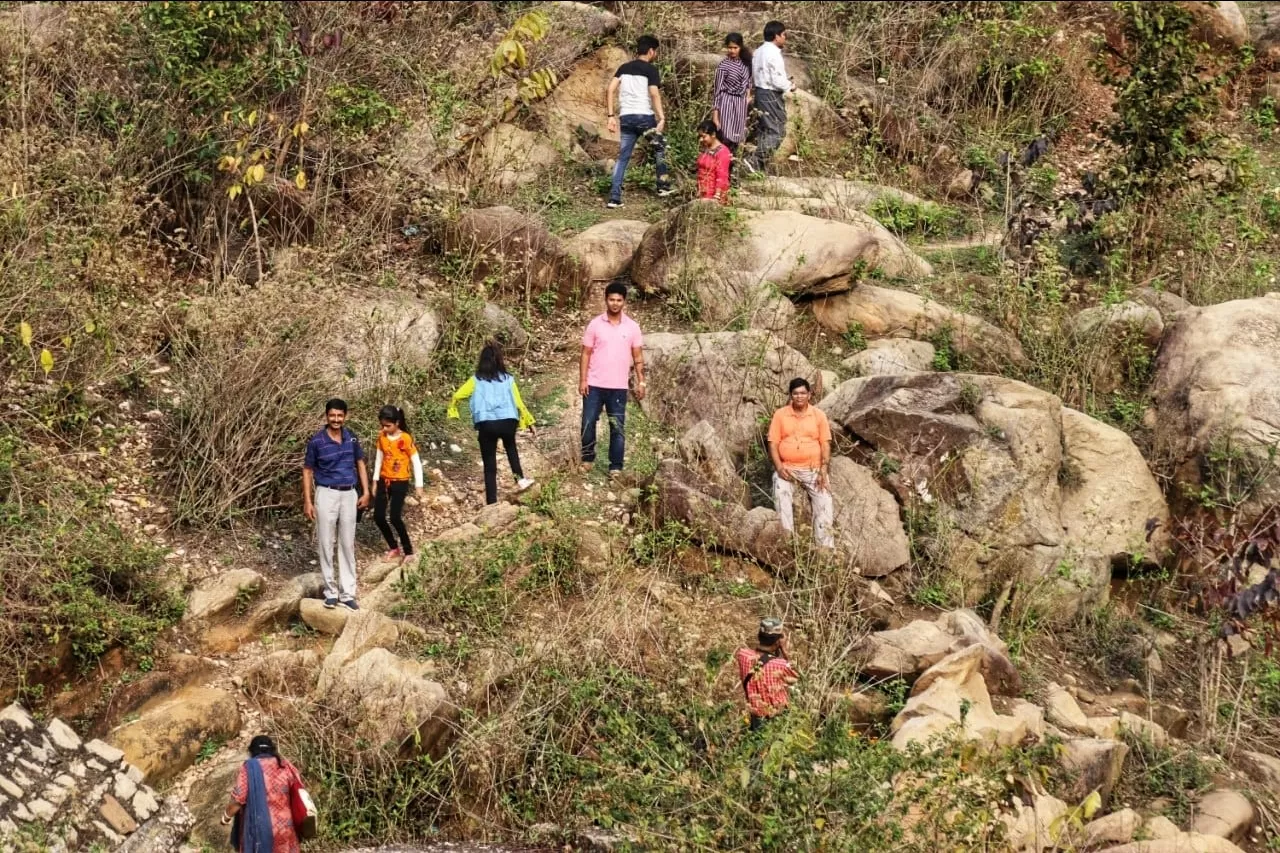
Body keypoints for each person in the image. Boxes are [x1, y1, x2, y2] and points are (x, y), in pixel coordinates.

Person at [448, 343, 537, 505]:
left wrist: (453, 411)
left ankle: (491, 502)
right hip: (508, 421)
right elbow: (518, 402)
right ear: (500, 360)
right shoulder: (509, 380)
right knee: (511, 448)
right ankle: (520, 479)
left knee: (489, 464)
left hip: (486, 423)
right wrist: (529, 420)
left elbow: (458, 395)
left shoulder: (475, 380)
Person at [302, 398, 369, 610]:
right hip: (326, 494)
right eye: (333, 415)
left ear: (345, 416)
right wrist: (308, 500)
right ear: (327, 416)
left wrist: (366, 491)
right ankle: (330, 592)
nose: (336, 419)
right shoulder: (317, 441)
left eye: (340, 415)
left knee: (348, 544)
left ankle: (348, 593)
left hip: (349, 493)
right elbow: (307, 470)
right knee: (325, 542)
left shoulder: (352, 438)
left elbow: (360, 463)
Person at [580, 281, 645, 476]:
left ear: (624, 301)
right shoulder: (595, 324)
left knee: (617, 427)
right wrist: (583, 380)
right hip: (594, 384)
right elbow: (585, 353)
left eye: (619, 300)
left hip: (618, 387)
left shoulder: (632, 327)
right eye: (611, 299)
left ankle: (615, 467)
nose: (615, 303)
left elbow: (638, 357)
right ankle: (587, 459)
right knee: (588, 423)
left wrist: (641, 381)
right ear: (606, 300)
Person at [606, 34, 673, 208]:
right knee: (660, 148)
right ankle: (663, 186)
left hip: (626, 118)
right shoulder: (651, 70)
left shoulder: (623, 67)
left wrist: (611, 116)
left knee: (623, 157)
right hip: (644, 117)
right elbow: (654, 93)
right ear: (651, 51)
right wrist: (661, 116)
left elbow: (610, 89)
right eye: (655, 51)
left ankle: (614, 198)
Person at [767, 377, 834, 548]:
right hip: (788, 468)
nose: (799, 396)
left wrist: (823, 470)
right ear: (790, 395)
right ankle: (787, 541)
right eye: (795, 393)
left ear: (809, 395)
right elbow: (773, 444)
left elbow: (825, 443)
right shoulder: (780, 415)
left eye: (803, 393)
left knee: (825, 502)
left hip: (813, 469)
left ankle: (825, 550)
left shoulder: (819, 416)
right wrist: (779, 467)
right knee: (780, 491)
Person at [221, 735, 306, 853]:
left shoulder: (249, 768)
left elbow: (239, 799)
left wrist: (226, 816)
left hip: (261, 831)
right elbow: (299, 789)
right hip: (286, 828)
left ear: (252, 751)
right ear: (272, 749)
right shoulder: (285, 766)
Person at [371, 404, 424, 563]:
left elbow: (415, 461)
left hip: (400, 481)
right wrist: (375, 481)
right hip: (384, 480)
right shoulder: (382, 437)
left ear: (397, 423)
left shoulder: (405, 439)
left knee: (395, 517)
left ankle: (408, 550)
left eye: (388, 425)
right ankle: (393, 547)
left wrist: (419, 485)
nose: (385, 428)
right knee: (379, 516)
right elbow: (379, 459)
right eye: (383, 425)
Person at [734, 618, 799, 730]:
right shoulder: (781, 664)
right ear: (778, 641)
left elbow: (754, 652)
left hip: (755, 715)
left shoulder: (743, 655)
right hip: (777, 717)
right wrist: (784, 650)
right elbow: (797, 676)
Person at [748, 20, 792, 174]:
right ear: (776, 36)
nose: (785, 38)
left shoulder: (758, 51)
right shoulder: (773, 53)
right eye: (783, 35)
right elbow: (777, 80)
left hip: (760, 92)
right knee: (777, 131)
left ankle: (757, 168)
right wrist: (790, 86)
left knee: (765, 130)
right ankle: (754, 160)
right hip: (770, 94)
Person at [712, 32, 752, 176]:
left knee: (737, 140)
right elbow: (717, 91)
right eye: (730, 48)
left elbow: (748, 83)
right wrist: (715, 115)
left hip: (740, 105)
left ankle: (733, 174)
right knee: (726, 138)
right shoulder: (723, 66)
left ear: (740, 47)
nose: (732, 51)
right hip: (727, 102)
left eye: (735, 48)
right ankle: (722, 172)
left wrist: (747, 97)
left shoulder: (745, 63)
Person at [696, 120, 732, 204]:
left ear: (713, 135)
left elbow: (722, 175)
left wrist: (717, 196)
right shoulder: (706, 149)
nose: (701, 140)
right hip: (702, 191)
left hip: (713, 195)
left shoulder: (723, 152)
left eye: (703, 136)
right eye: (699, 137)